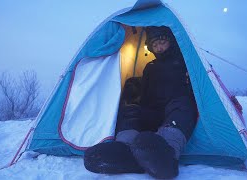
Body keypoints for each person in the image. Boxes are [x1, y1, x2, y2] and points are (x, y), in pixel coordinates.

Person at [84, 26, 198, 179]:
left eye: (162, 43)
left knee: (182, 105)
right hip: (155, 111)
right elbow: (144, 94)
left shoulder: (185, 62)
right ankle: (126, 151)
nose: (159, 47)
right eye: (155, 45)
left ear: (170, 42)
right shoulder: (149, 67)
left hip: (175, 111)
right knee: (131, 110)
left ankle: (167, 154)